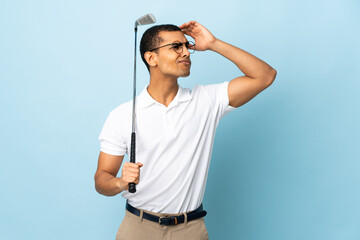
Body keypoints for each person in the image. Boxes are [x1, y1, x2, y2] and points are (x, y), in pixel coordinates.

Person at [94, 21, 277, 240]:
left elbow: (265, 76)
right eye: (175, 47)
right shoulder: (122, 115)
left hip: (189, 229)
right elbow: (101, 179)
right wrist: (119, 182)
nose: (186, 53)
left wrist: (213, 43)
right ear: (151, 58)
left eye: (186, 46)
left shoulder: (206, 101)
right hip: (138, 228)